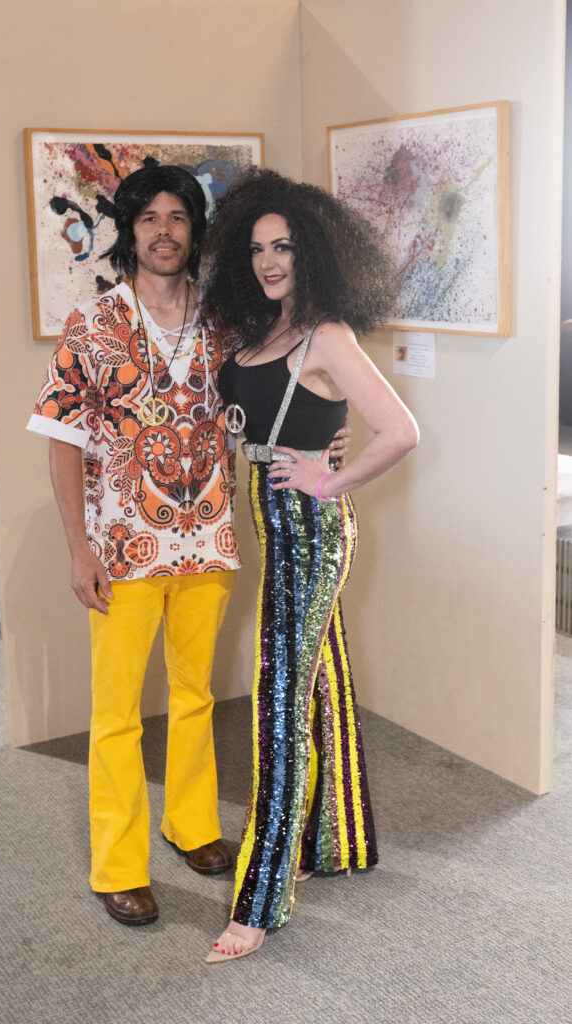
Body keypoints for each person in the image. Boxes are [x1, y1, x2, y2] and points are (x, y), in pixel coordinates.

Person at [27, 163, 349, 927]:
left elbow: (291, 382)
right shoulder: (93, 325)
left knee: (196, 695)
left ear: (194, 232)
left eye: (178, 217)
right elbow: (61, 443)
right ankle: (116, 863)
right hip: (125, 551)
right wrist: (80, 548)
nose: (164, 231)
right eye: (149, 219)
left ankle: (192, 824)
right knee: (115, 714)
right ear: (128, 232)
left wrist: (326, 451)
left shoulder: (224, 323)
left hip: (208, 543)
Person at [201, 168, 419, 962]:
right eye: (256, 248)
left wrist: (331, 477)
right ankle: (337, 840)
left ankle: (258, 901)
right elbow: (245, 416)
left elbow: (399, 431)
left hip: (308, 530)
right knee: (317, 677)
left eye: (283, 246)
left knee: (279, 703)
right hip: (272, 518)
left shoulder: (326, 333)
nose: (268, 260)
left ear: (313, 251)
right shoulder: (260, 333)